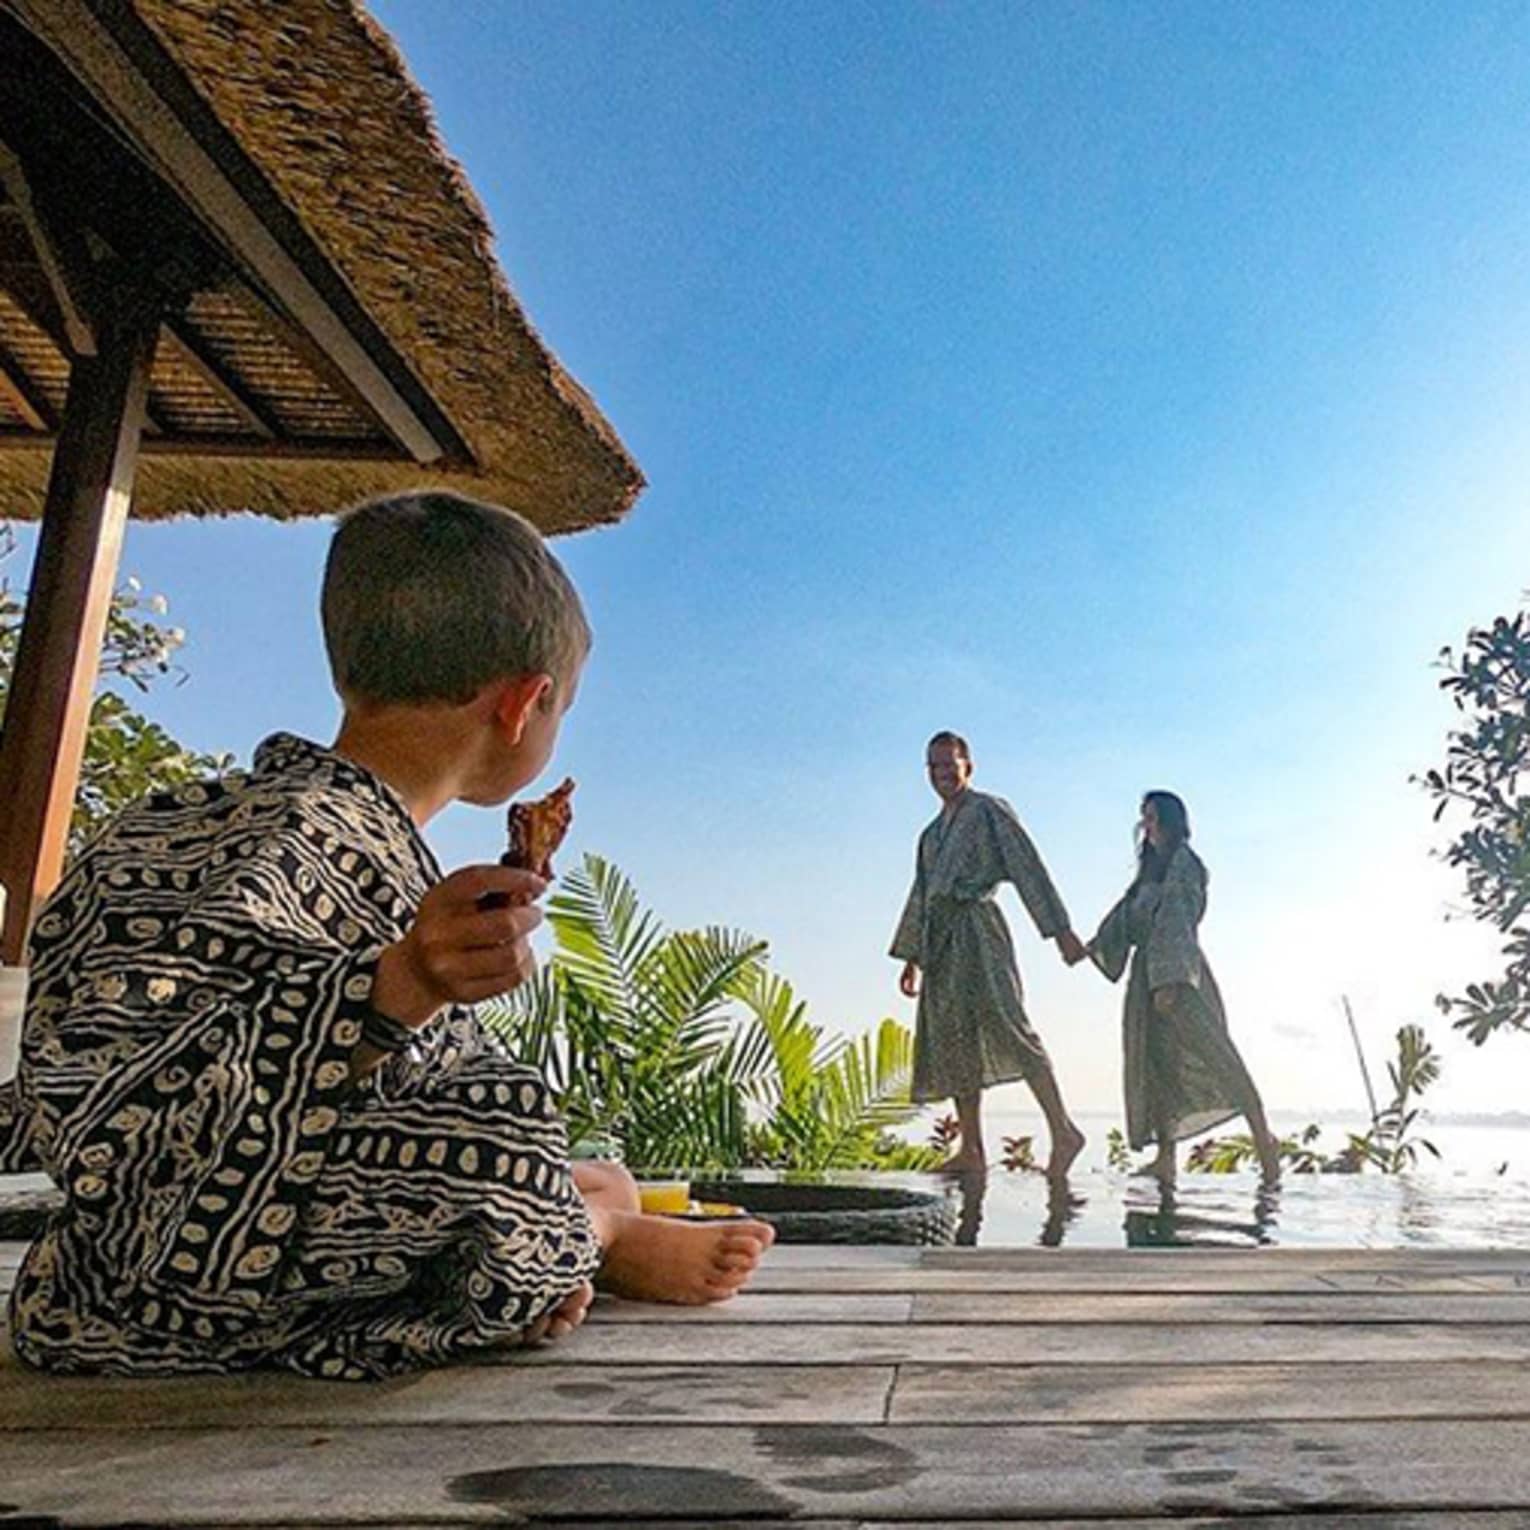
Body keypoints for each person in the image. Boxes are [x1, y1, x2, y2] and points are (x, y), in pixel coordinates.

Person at [1, 490, 774, 1379]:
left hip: (103, 1254)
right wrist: (398, 984)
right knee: (510, 1136)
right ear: (524, 705)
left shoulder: (171, 821)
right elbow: (172, 1100)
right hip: (196, 1275)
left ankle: (580, 1209)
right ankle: (592, 1233)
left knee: (581, 1161)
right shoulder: (312, 841)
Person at [890, 731, 1087, 1178]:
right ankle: (972, 1148)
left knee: (1009, 1023)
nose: (942, 773)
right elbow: (921, 895)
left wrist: (1060, 931)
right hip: (941, 942)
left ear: (968, 766)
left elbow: (1027, 866)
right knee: (955, 1038)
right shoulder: (930, 835)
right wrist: (912, 957)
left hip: (979, 928)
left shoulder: (988, 811)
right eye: (934, 766)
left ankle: (1064, 1131)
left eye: (949, 764)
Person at [1078, 790, 1280, 1186]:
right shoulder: (1149, 872)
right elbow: (1125, 916)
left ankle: (1264, 1139)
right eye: (1144, 818)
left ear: (1172, 821)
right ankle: (1166, 1157)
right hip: (1144, 981)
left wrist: (1169, 981)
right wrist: (1092, 946)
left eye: (1153, 817)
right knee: (1158, 1064)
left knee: (1219, 1056)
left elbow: (1178, 920)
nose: (1147, 825)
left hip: (1181, 976)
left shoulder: (1186, 865)